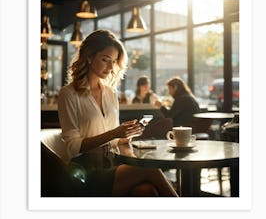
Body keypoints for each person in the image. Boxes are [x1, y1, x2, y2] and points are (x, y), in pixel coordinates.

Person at [58, 29, 178, 197]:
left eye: (114, 61)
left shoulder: (110, 93)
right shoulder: (68, 94)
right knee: (151, 170)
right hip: (85, 173)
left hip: (112, 165)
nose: (110, 66)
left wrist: (126, 134)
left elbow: (115, 140)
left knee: (146, 191)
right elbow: (72, 147)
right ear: (89, 56)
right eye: (105, 59)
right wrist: (114, 133)